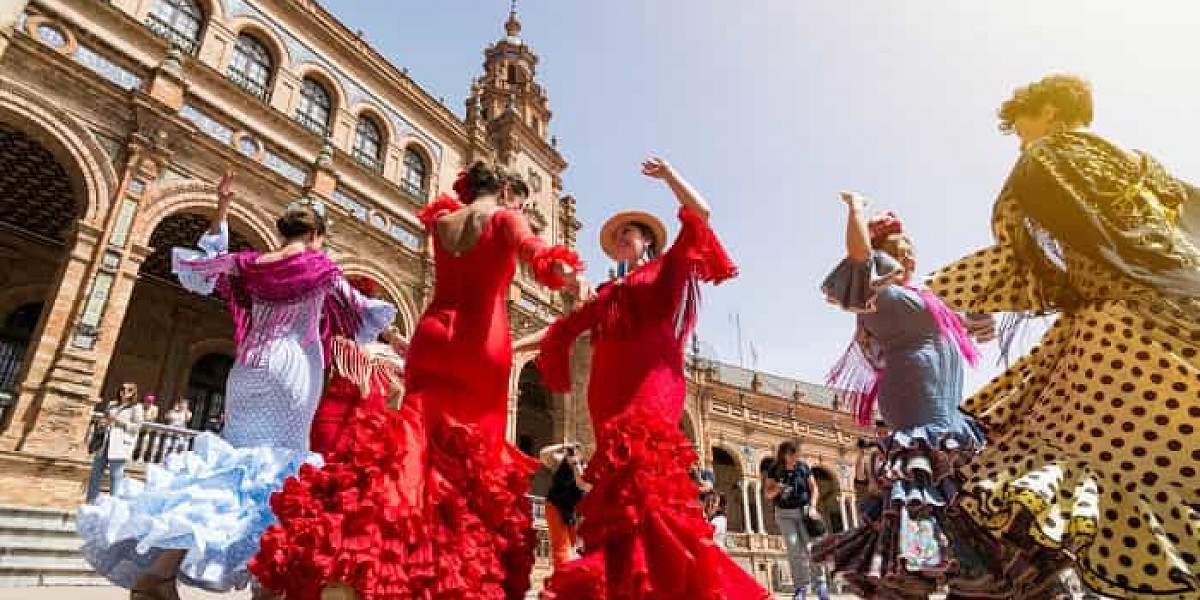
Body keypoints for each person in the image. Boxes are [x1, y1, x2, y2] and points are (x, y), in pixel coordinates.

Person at [250, 162, 584, 600]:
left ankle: (360, 557)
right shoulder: (505, 215)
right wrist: (567, 277)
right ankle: (445, 579)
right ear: (503, 189)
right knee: (471, 465)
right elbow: (537, 253)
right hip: (480, 343)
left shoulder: (444, 220)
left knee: (412, 445)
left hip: (431, 337)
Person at [927, 74, 1200, 599]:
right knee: (1160, 460)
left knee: (1057, 464)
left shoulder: (1046, 159)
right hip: (1179, 312)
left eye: (1021, 124)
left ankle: (1030, 581)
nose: (1019, 138)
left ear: (1049, 111)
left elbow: (1026, 262)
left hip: (1118, 332)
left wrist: (936, 293)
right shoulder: (1142, 165)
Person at [76, 172, 395, 600]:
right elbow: (360, 313)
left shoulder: (250, 265)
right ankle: (268, 584)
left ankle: (158, 574)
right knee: (282, 474)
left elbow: (206, 265)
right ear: (316, 235)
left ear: (282, 231)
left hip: (246, 369)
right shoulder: (320, 266)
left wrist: (222, 207)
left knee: (228, 467)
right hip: (292, 369)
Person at [527, 157, 768, 600]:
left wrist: (671, 176)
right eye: (617, 234)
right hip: (607, 391)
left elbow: (701, 215)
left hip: (653, 383)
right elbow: (565, 327)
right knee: (620, 493)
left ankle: (679, 584)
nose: (621, 237)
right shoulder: (608, 292)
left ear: (649, 242)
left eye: (629, 231)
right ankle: (630, 585)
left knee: (650, 481)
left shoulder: (666, 269)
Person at [810, 195, 994, 600]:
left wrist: (983, 322)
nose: (909, 258)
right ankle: (911, 577)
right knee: (920, 509)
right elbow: (858, 256)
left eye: (911, 250)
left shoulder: (928, 300)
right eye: (899, 251)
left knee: (959, 513)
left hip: (951, 423)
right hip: (917, 416)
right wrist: (856, 211)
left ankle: (955, 578)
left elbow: (973, 321)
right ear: (883, 258)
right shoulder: (880, 296)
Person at [308, 275, 407, 455]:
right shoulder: (339, 346)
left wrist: (392, 337)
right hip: (336, 427)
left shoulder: (376, 359)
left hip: (361, 435)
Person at [764, 440, 825, 600]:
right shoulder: (774, 469)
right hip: (784, 514)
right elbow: (767, 494)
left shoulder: (803, 467)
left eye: (798, 455)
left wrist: (812, 506)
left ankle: (820, 586)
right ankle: (800, 588)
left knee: (812, 548)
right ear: (785, 454)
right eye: (793, 455)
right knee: (793, 549)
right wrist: (778, 487)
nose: (796, 458)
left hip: (804, 512)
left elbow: (814, 488)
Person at [85, 381, 144, 503]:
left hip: (120, 444)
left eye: (129, 390)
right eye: (122, 389)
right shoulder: (112, 405)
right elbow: (104, 418)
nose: (124, 392)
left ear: (133, 393)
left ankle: (113, 504)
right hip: (104, 442)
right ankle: (90, 502)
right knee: (95, 474)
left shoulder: (136, 408)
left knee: (115, 475)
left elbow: (136, 427)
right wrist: (102, 423)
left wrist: (118, 421)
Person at [539, 442, 591, 568]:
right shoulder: (558, 462)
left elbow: (582, 485)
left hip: (573, 511)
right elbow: (543, 453)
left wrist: (576, 465)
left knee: (574, 547)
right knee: (561, 549)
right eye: (571, 451)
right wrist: (563, 446)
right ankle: (560, 578)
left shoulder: (583, 466)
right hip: (555, 506)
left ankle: (570, 576)